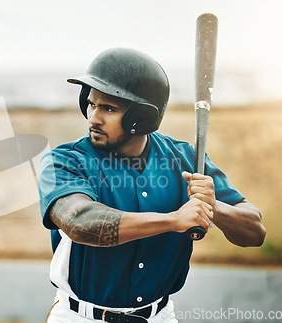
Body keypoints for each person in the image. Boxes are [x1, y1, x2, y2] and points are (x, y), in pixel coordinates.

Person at [38, 48, 266, 323]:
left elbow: (255, 232)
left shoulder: (186, 159)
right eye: (91, 104)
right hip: (80, 317)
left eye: (108, 108)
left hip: (159, 316)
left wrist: (213, 207)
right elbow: (80, 222)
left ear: (141, 117)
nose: (93, 118)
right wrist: (173, 220)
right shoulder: (66, 159)